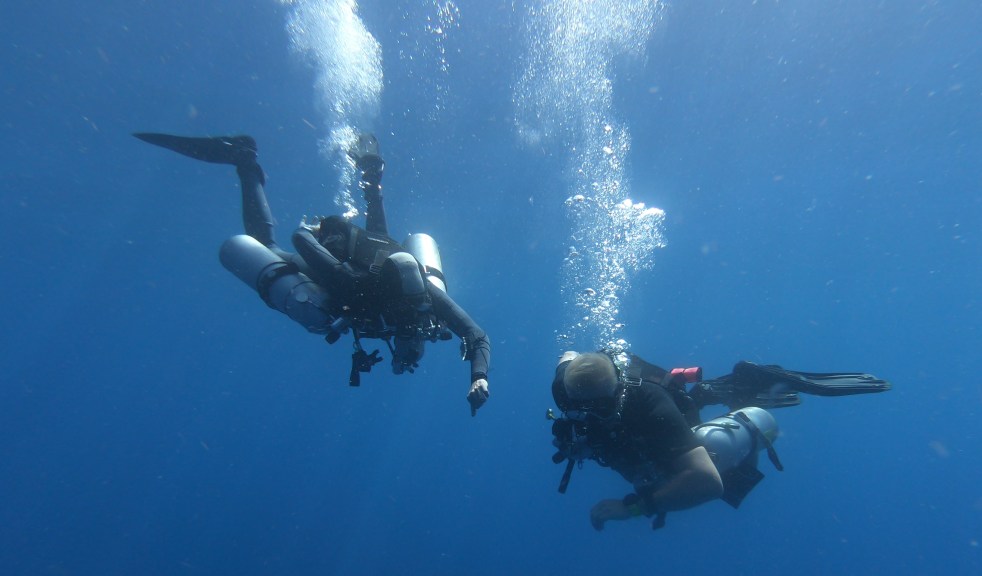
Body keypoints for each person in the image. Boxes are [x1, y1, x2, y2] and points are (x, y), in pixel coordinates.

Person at [134, 131, 491, 415]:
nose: (413, 328)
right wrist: (312, 232)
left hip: (379, 248)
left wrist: (479, 378)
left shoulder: (427, 299)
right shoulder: (353, 286)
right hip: (330, 246)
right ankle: (245, 161)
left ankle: (371, 178)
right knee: (267, 247)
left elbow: (476, 334)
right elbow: (299, 241)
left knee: (381, 235)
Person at [550, 350, 890, 531]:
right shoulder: (567, 389)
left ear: (615, 393)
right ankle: (709, 391)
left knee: (711, 452)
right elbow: (567, 355)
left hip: (664, 420)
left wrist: (635, 507)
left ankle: (737, 394)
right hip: (632, 426)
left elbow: (709, 484)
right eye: (578, 407)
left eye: (597, 407)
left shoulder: (649, 406)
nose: (586, 415)